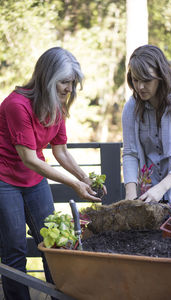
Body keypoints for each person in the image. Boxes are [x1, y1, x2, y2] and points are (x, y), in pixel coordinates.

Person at [0, 47, 104, 300]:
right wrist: (73, 185)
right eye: (64, 81)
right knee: (14, 248)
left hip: (33, 180)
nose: (69, 88)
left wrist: (85, 178)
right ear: (47, 77)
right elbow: (30, 158)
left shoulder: (56, 105)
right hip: (4, 181)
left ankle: (58, 296)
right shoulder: (17, 105)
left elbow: (61, 151)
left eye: (73, 82)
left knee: (52, 243)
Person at [122, 44, 171, 205]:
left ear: (161, 76)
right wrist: (130, 196)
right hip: (150, 197)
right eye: (136, 80)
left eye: (147, 80)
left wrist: (161, 188)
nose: (140, 87)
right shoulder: (131, 107)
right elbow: (130, 153)